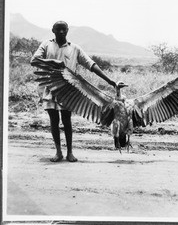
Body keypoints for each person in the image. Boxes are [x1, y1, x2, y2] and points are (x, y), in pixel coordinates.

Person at [31, 21, 117, 163]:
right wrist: (53, 62)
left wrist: (109, 81)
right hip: (49, 88)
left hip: (68, 92)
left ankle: (70, 152)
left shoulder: (75, 48)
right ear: (53, 30)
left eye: (63, 29)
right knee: (54, 121)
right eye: (58, 29)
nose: (61, 32)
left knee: (67, 120)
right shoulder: (46, 45)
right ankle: (58, 152)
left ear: (67, 30)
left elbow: (91, 64)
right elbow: (34, 60)